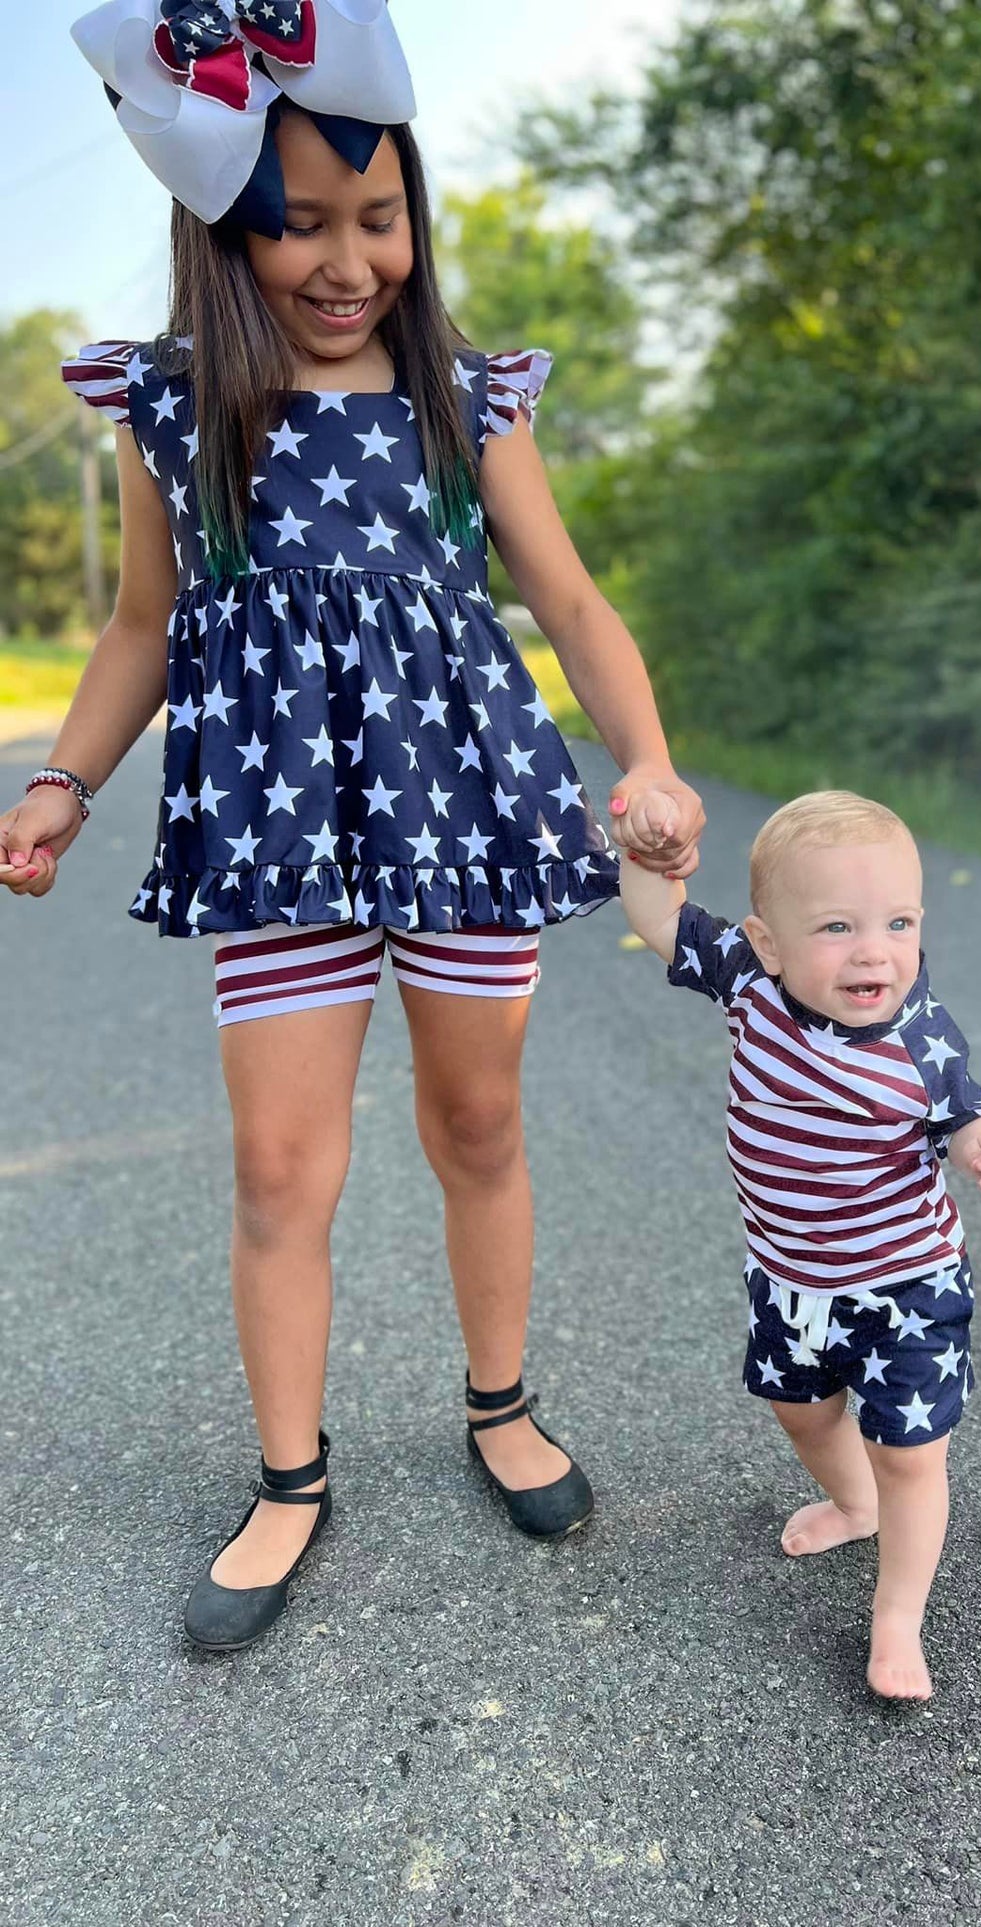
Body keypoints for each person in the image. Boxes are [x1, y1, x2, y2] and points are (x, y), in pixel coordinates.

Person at [0, 0, 703, 1652]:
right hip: (276, 827)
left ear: (416, 220)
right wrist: (60, 783)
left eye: (375, 218)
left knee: (477, 1125)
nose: (344, 258)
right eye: (298, 223)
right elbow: (137, 632)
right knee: (276, 1165)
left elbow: (574, 602)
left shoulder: (470, 395)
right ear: (219, 233)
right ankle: (290, 1475)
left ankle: (501, 1401)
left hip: (457, 806)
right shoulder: (173, 411)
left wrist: (652, 758)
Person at [619, 791, 981, 1701]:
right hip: (791, 1279)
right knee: (801, 1411)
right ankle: (855, 1505)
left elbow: (965, 1112)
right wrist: (646, 859)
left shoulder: (917, 1038)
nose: (873, 950)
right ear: (769, 943)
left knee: (910, 1449)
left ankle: (897, 1619)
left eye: (898, 922)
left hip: (907, 1285)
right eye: (837, 926)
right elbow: (655, 919)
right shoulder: (748, 982)